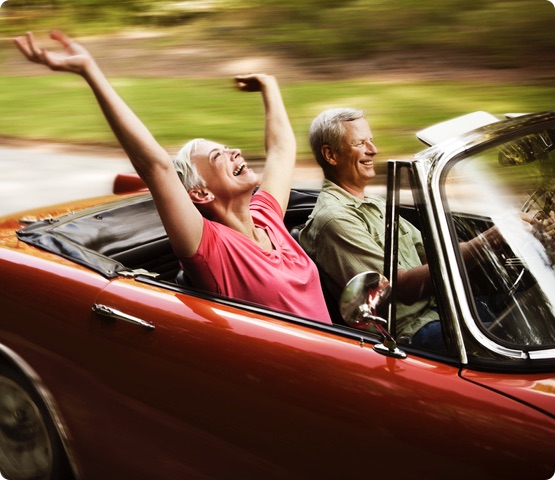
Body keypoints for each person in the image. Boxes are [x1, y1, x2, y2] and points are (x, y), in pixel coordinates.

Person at [14, 30, 332, 324]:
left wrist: (268, 85)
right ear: (200, 193)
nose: (235, 151)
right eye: (217, 156)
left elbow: (280, 148)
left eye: (227, 148)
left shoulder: (265, 216)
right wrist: (89, 70)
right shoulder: (210, 247)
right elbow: (156, 167)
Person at [299, 108, 504, 350]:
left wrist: (510, 237)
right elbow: (401, 288)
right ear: (330, 155)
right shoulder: (334, 220)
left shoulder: (374, 203)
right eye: (360, 143)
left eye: (371, 141)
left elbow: (433, 253)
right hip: (413, 335)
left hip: (444, 311)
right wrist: (487, 241)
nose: (373, 150)